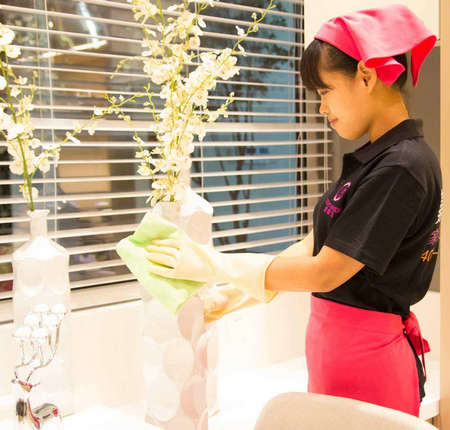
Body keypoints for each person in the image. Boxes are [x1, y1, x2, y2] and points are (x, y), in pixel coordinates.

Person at [145, 5, 441, 417]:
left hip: (370, 363)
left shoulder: (402, 167)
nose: (321, 108)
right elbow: (315, 246)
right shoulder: (376, 160)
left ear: (367, 76)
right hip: (339, 354)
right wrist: (233, 296)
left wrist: (211, 263)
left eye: (325, 92)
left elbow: (326, 271)